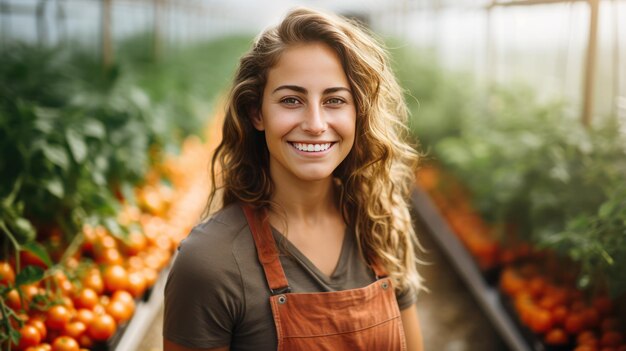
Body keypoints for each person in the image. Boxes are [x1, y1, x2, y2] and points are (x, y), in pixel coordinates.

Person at [163, 7, 424, 351]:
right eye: (291, 100)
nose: (315, 124)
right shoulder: (211, 263)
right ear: (257, 113)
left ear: (358, 112)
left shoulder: (381, 225)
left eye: (334, 100)